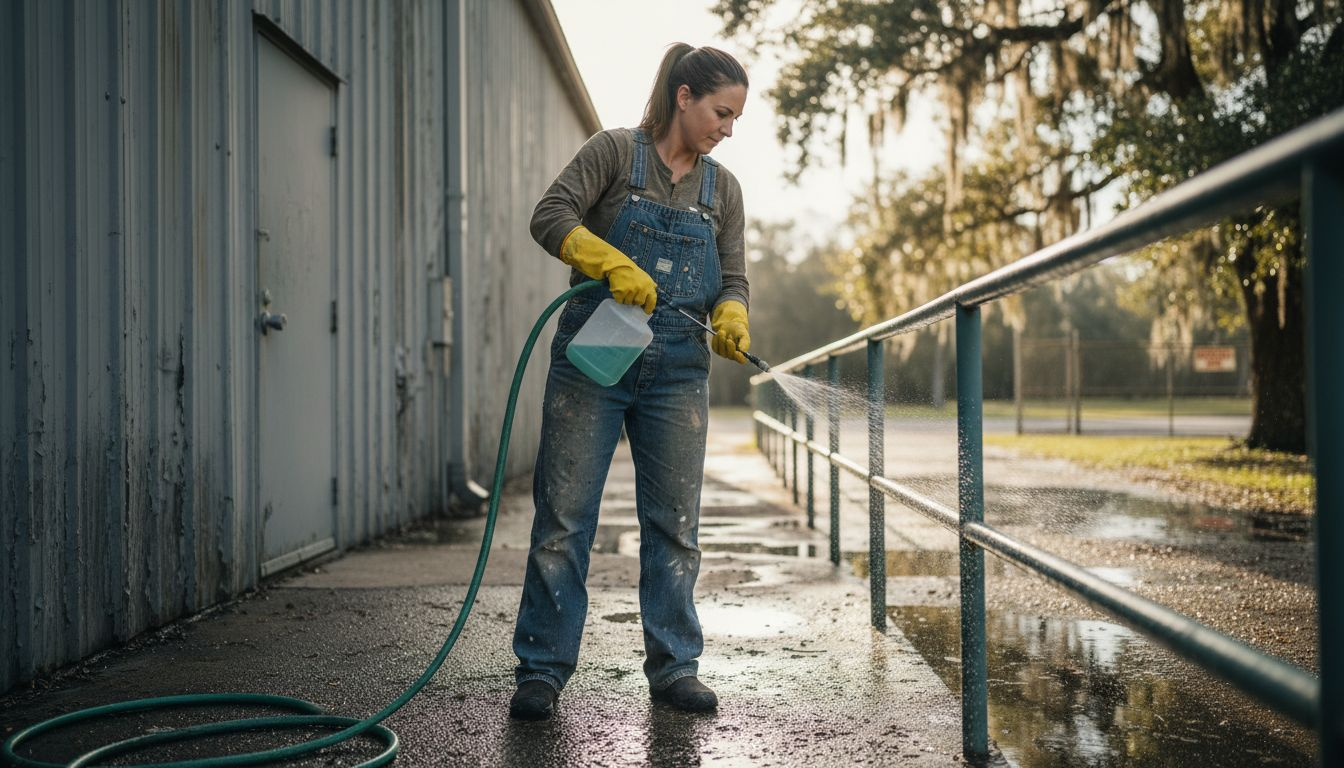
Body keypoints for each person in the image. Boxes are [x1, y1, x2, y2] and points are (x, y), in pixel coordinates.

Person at [510, 43, 752, 721]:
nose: (727, 129)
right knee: (564, 520)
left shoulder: (722, 189)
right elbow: (549, 215)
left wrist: (732, 312)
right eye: (720, 112)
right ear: (684, 96)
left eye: (734, 119)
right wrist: (607, 259)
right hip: (596, 358)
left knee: (675, 526)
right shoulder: (615, 153)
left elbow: (733, 279)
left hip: (678, 372)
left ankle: (675, 667)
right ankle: (542, 670)